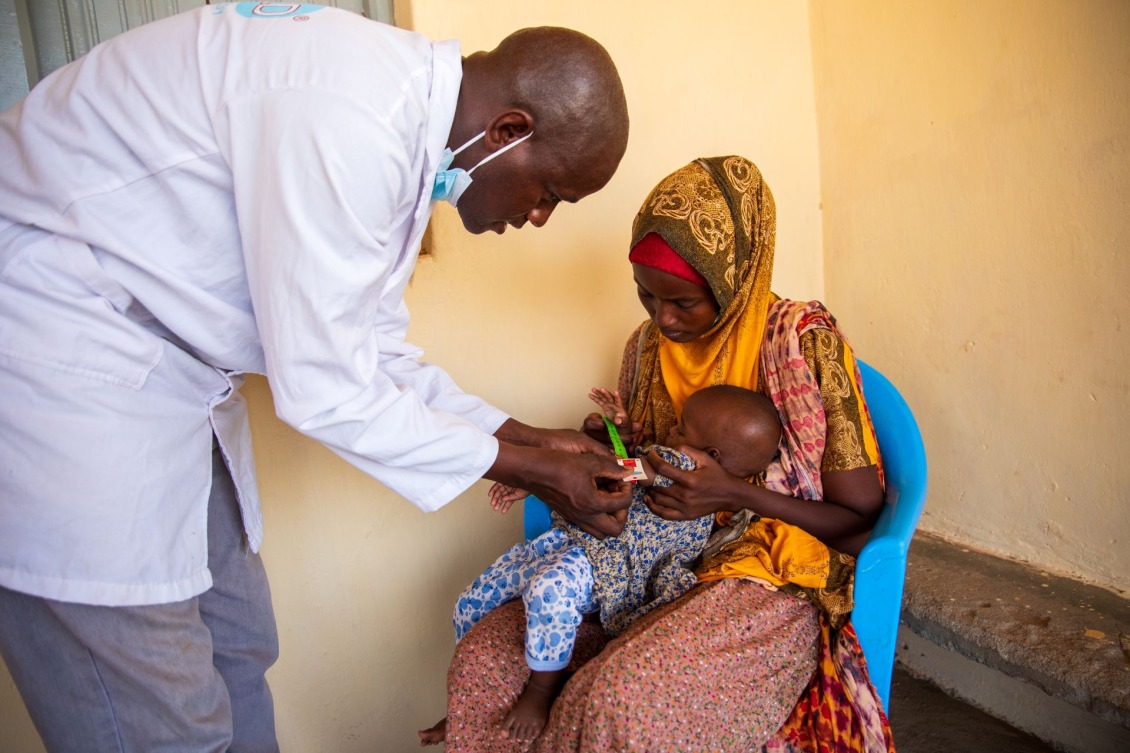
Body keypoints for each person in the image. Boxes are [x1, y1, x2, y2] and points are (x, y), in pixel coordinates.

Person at [0, 4, 632, 751]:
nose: (538, 217)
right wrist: (535, 470)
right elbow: (328, 387)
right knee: (160, 714)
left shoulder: (397, 124)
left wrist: (536, 443)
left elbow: (372, 351)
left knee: (238, 648)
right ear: (509, 132)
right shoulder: (350, 121)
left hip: (159, 374)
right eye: (550, 192)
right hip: (60, 353)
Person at [438, 156, 897, 753]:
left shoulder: (800, 345)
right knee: (485, 664)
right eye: (647, 298)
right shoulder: (647, 350)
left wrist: (734, 493)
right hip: (641, 569)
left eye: (684, 301)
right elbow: (646, 468)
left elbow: (861, 528)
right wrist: (608, 453)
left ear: (736, 281)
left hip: (764, 580)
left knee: (620, 701)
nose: (664, 319)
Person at [420, 384, 783, 745]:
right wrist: (607, 439)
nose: (671, 430)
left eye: (682, 428)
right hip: (568, 543)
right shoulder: (672, 465)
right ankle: (466, 705)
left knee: (548, 591)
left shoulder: (691, 470)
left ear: (711, 455)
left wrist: (538, 474)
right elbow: (613, 473)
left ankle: (543, 690)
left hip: (607, 563)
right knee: (472, 601)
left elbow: (617, 471)